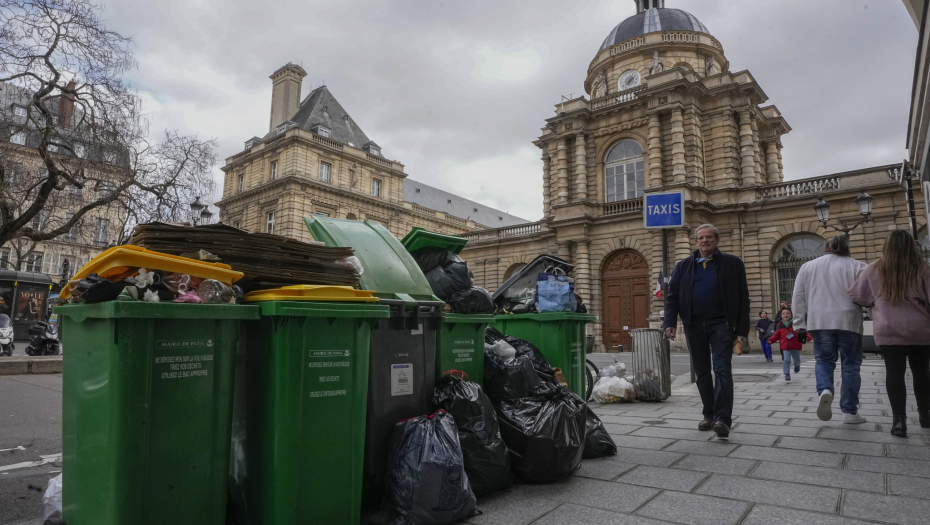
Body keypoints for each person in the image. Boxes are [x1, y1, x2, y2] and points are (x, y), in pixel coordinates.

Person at [664, 224, 750, 439]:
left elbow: (743, 297)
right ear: (696, 242)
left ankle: (723, 419)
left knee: (722, 369)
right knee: (702, 373)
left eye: (709, 237)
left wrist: (741, 329)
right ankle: (709, 414)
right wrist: (670, 322)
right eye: (700, 238)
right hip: (694, 325)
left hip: (721, 324)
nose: (704, 241)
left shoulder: (732, 264)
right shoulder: (684, 266)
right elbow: (672, 296)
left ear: (717, 240)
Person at [849, 230, 930, 437]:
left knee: (894, 372)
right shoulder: (922, 268)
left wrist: (876, 301)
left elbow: (857, 295)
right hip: (920, 328)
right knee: (922, 373)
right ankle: (925, 416)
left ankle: (899, 422)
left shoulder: (874, 268)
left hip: (888, 328)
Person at [792, 235, 868, 424]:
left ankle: (825, 389)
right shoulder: (859, 267)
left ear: (826, 248)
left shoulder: (808, 267)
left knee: (824, 361)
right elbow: (868, 296)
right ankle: (850, 412)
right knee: (851, 365)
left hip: (820, 321)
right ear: (846, 248)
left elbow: (798, 296)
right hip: (849, 320)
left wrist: (799, 324)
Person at [768, 308, 805, 381]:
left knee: (796, 359)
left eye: (787, 313)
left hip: (795, 345)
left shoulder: (796, 323)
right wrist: (771, 340)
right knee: (786, 360)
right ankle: (787, 374)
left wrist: (807, 336)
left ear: (791, 315)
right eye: (783, 313)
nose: (785, 315)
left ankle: (797, 366)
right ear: (781, 315)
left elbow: (803, 332)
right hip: (785, 346)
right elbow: (777, 335)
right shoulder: (779, 325)